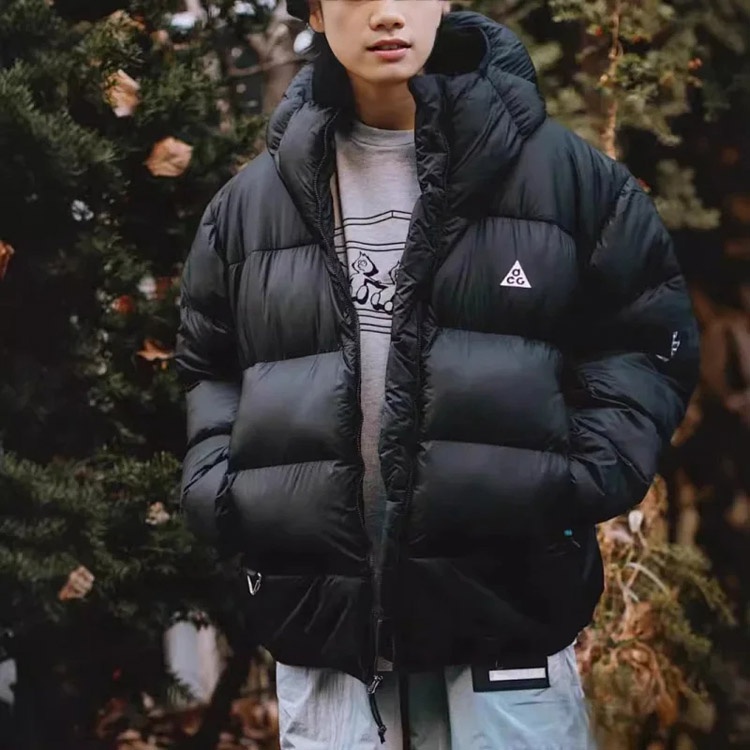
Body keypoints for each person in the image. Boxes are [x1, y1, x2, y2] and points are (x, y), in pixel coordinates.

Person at [174, 1, 700, 747]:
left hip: (505, 606)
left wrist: (575, 477)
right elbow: (209, 365)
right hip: (323, 617)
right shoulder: (250, 208)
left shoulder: (567, 181)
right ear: (314, 12)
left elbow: (646, 340)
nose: (387, 13)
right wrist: (226, 491)